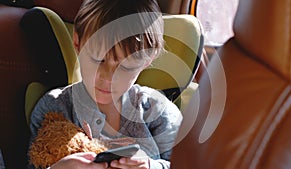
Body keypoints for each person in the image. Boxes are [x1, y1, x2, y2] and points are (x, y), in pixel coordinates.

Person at [28, 0, 182, 169]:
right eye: (98, 60)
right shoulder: (55, 107)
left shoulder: (158, 111)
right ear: (77, 43)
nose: (107, 78)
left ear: (146, 61)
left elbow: (185, 164)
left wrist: (151, 166)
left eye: (125, 67)